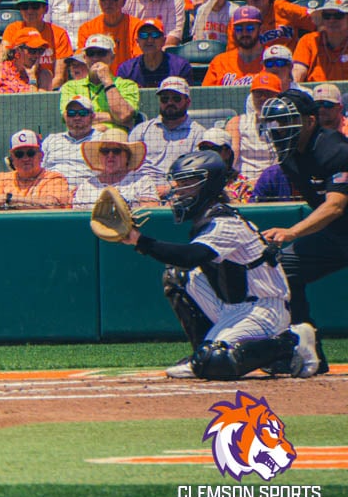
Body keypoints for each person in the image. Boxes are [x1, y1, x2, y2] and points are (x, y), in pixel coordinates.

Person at [116, 150, 317, 380]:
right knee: (177, 276)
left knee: (216, 360)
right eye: (180, 183)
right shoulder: (208, 217)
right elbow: (186, 265)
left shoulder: (225, 223)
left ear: (209, 185)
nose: (180, 190)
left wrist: (139, 241)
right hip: (231, 305)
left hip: (263, 309)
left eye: (189, 183)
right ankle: (201, 353)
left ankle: (292, 342)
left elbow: (192, 256)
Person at [258, 89, 348, 376]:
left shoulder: (334, 149)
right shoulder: (289, 155)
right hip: (336, 237)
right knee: (282, 268)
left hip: (337, 224)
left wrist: (292, 232)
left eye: (287, 122)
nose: (279, 130)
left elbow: (335, 206)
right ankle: (305, 350)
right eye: (276, 123)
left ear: (310, 121)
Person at [129, 75, 205, 180]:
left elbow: (198, 171)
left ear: (187, 102)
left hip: (180, 189)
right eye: (165, 99)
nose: (170, 102)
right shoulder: (141, 130)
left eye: (176, 98)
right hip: (142, 187)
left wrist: (171, 186)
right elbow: (128, 165)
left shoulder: (198, 133)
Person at [59, 34, 140, 130]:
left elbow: (123, 115)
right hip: (81, 137)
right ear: (85, 58)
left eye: (101, 53)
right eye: (91, 53)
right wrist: (110, 119)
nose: (95, 58)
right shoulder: (70, 86)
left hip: (114, 139)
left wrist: (107, 82)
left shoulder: (127, 85)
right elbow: (71, 120)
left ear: (112, 57)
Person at [0, 128, 73, 210]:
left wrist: (8, 199)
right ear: (12, 159)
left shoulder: (54, 178)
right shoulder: (0, 179)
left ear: (41, 156)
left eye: (30, 153)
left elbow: (53, 205)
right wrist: (33, 205)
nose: (25, 158)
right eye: (19, 154)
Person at [2, 0, 72, 88]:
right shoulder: (12, 29)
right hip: (17, 87)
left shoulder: (59, 34)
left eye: (35, 6)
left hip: (48, 89)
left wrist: (39, 94)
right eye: (24, 7)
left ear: (46, 9)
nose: (30, 11)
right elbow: (3, 59)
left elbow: (59, 77)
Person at [73, 127, 158, 208]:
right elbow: (77, 218)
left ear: (127, 156)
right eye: (105, 151)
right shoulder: (87, 186)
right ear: (99, 156)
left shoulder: (142, 181)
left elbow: (149, 214)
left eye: (116, 151)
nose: (110, 155)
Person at [225, 71, 283, 185]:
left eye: (268, 93)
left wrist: (262, 181)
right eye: (258, 93)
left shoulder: (286, 123)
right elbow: (232, 159)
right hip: (243, 181)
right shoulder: (237, 122)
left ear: (278, 97)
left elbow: (283, 161)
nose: (263, 98)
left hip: (275, 181)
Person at [235, 0, 314, 51]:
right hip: (256, 63)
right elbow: (232, 56)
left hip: (287, 62)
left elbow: (318, 21)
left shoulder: (284, 9)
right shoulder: (238, 20)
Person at [77, 0, 143, 73]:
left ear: (123, 1)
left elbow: (138, 61)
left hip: (127, 80)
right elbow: (82, 62)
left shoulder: (137, 26)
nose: (108, 2)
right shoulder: (86, 28)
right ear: (99, 1)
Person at [42, 93, 98, 190]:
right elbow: (40, 169)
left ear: (92, 116)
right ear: (65, 117)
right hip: (51, 189)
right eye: (71, 113)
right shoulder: (51, 140)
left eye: (82, 113)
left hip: (86, 191)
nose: (77, 117)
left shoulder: (101, 139)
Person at [116, 19, 192, 87]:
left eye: (155, 35)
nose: (149, 40)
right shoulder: (126, 70)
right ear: (137, 41)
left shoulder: (180, 67)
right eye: (144, 35)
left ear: (164, 40)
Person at [204, 6, 265, 87]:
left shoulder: (271, 59)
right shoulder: (220, 62)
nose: (244, 33)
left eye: (250, 28)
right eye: (239, 28)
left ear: (261, 29)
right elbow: (206, 96)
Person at [292, 0, 348, 83]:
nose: (331, 20)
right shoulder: (308, 41)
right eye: (327, 16)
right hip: (314, 94)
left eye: (338, 16)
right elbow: (298, 70)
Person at [0, 26, 53, 93]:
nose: (37, 55)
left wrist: (32, 78)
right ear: (18, 51)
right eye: (32, 50)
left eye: (40, 50)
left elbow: (37, 103)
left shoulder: (45, 75)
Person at [198, 126, 253, 203]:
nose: (209, 154)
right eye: (204, 149)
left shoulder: (243, 185)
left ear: (228, 153)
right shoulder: (195, 182)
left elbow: (245, 212)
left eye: (214, 149)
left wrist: (226, 194)